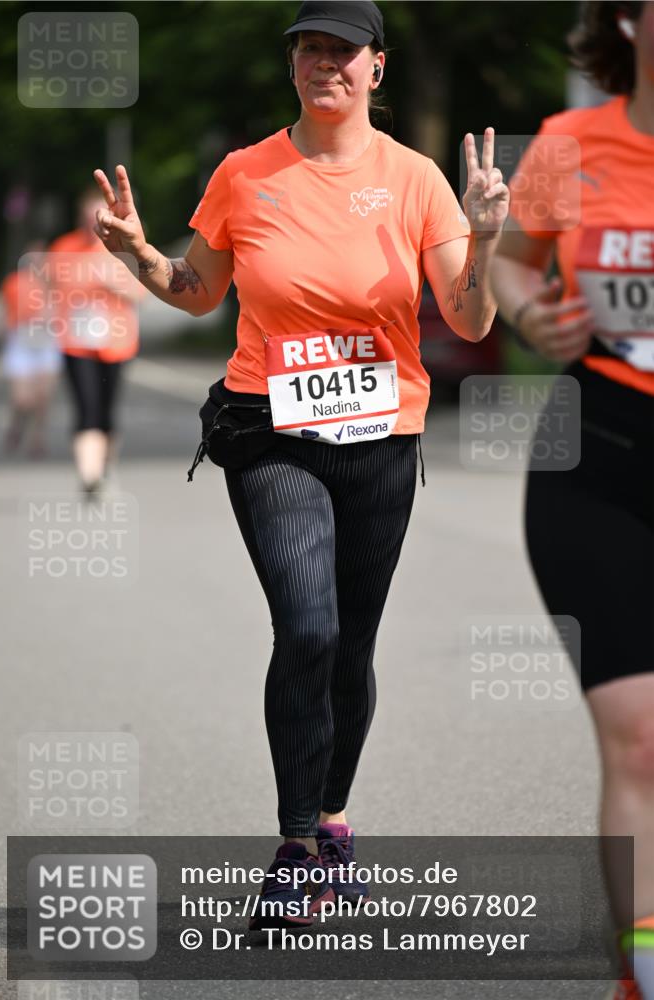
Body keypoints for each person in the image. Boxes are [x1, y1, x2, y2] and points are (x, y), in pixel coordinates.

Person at [91, 0, 509, 931]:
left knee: (351, 642)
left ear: (376, 70)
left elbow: (471, 319)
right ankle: (294, 847)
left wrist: (483, 237)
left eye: (342, 52)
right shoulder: (246, 173)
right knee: (308, 626)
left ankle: (332, 824)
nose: (324, 65)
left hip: (381, 436)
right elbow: (197, 293)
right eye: (308, 51)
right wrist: (138, 254)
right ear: (292, 69)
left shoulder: (414, 180)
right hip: (267, 429)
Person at [488, 2, 654, 997]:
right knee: (638, 733)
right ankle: (636, 968)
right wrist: (529, 314)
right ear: (631, 24)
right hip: (596, 455)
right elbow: (510, 262)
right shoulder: (567, 143)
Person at [47, 187, 144, 498]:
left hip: (117, 342)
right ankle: (89, 476)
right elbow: (49, 288)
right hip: (76, 343)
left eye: (100, 216)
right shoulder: (64, 248)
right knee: (86, 407)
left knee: (106, 410)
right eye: (90, 216)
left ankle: (104, 465)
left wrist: (114, 284)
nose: (96, 222)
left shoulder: (123, 249)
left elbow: (140, 293)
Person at [0, 240, 62, 458]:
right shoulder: (14, 282)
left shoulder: (53, 283)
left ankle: (38, 438)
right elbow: (5, 313)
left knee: (43, 396)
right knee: (22, 399)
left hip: (47, 341)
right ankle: (17, 425)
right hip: (22, 341)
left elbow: (65, 311)